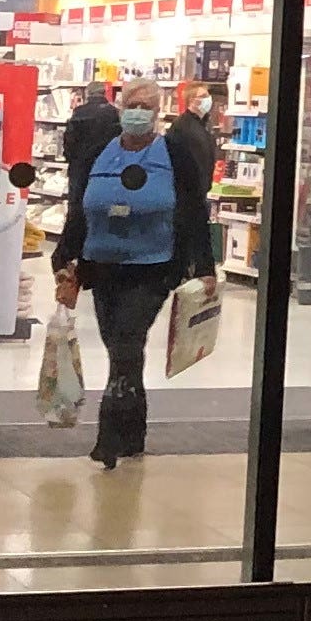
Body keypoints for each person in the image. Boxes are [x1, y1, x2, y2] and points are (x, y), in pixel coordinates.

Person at [51, 79, 218, 468]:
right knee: (122, 349)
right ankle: (133, 434)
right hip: (103, 266)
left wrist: (205, 266)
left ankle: (108, 439)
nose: (137, 112)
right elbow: (80, 207)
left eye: (145, 105)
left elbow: (195, 212)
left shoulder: (175, 154)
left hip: (153, 268)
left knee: (126, 341)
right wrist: (65, 256)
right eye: (131, 104)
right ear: (121, 107)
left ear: (157, 112)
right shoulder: (98, 153)